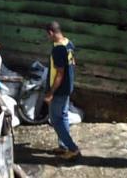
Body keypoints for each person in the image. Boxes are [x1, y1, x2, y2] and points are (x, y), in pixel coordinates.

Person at [43, 21, 80, 159]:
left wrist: (50, 93)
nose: (48, 38)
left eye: (48, 35)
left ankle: (73, 148)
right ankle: (63, 146)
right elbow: (73, 63)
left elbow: (59, 74)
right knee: (63, 117)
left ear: (51, 33)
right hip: (67, 87)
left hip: (59, 90)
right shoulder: (68, 43)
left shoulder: (58, 49)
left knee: (55, 120)